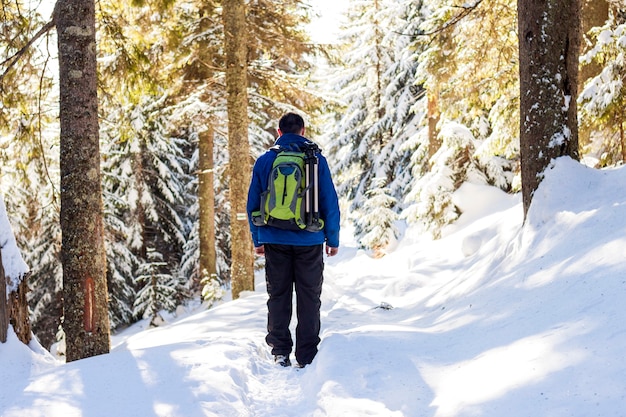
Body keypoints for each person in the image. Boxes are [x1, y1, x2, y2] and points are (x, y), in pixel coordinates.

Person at [246, 112, 340, 368]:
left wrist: (258, 238)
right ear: (303, 130)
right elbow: (329, 202)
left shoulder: (266, 160)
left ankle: (280, 351)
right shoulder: (315, 160)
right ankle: (306, 354)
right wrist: (332, 238)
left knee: (278, 294)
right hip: (309, 239)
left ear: (279, 132)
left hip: (274, 237)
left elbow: (252, 202)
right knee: (309, 296)